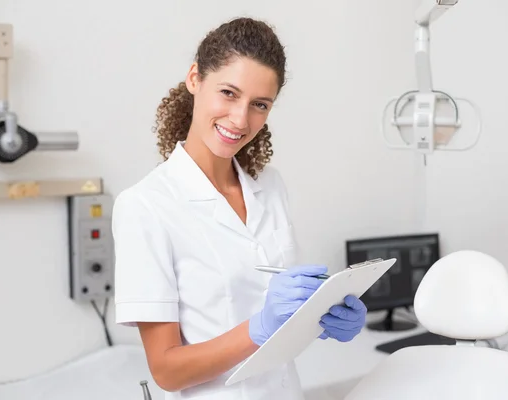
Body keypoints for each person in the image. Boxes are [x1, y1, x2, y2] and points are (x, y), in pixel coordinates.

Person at [111, 17, 367, 400]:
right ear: (195, 78)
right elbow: (166, 370)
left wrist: (321, 316)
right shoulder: (145, 206)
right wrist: (259, 327)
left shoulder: (270, 186)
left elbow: (279, 320)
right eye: (229, 93)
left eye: (259, 104)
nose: (241, 119)